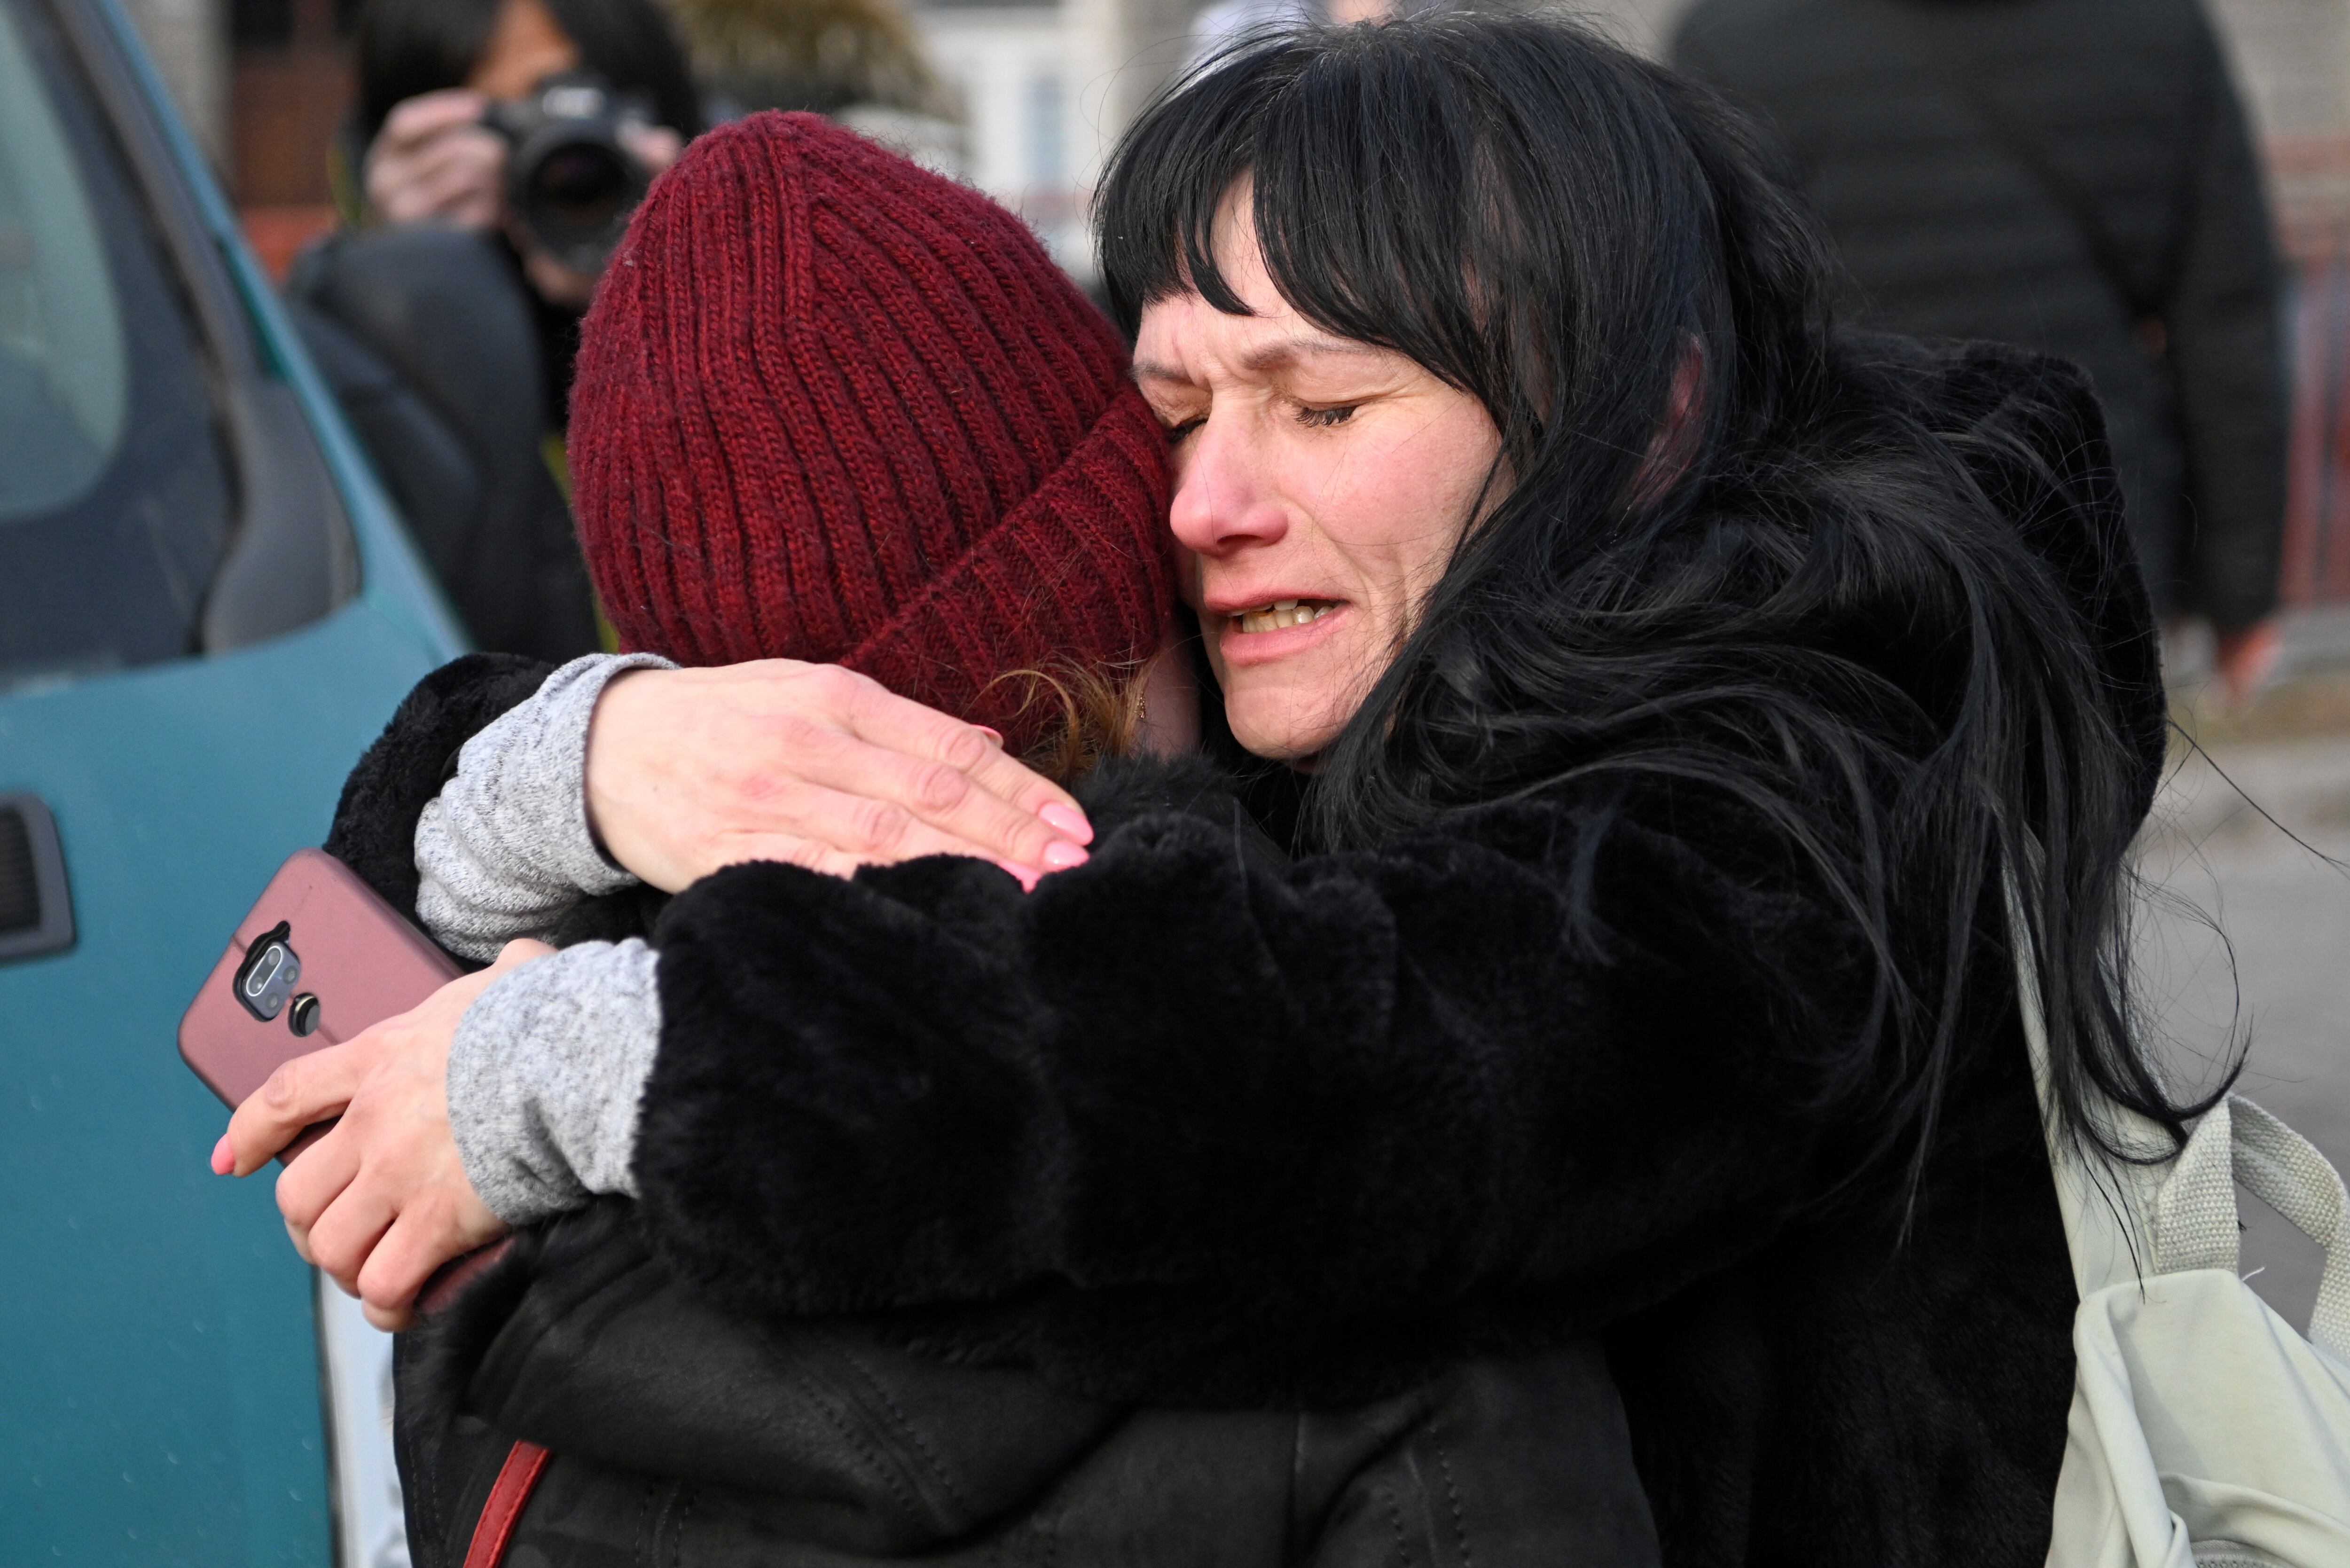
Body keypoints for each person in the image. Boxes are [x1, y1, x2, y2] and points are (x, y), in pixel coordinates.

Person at [222, 17, 2205, 1565]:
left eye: (1324, 407)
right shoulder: (1382, 676)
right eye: (1172, 407)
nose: (1209, 506)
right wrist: (581, 759)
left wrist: (619, 1045)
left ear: (1635, 417)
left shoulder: (1784, 796)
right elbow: (275, 1009)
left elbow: (1355, 1050)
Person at [268, 110, 1668, 1566]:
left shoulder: (463, 1179)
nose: (1215, 506)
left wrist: (569, 766)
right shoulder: (1391, 1275)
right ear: (1123, 584)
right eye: (1182, 434)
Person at [1672, 0, 2291, 700]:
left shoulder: (1737, 34)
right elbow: (2228, 326)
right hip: (2096, 533)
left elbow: (1708, 338)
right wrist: (2241, 594)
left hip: (1839, 549)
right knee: (2078, 791)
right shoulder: (2159, 26)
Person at [287, 0, 702, 659]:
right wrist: (395, 286)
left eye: (575, 113)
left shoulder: (735, 306)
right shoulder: (363, 327)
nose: (556, 168)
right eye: (510, 131)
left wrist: (695, 272)